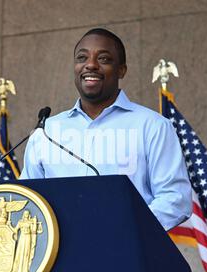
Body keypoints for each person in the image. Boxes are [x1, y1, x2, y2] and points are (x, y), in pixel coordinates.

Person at [20, 28, 192, 231]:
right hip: (59, 255)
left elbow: (175, 199)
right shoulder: (46, 131)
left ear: (121, 70)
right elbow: (28, 199)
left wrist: (125, 231)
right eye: (82, 57)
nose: (90, 65)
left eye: (103, 59)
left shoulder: (153, 126)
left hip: (126, 251)